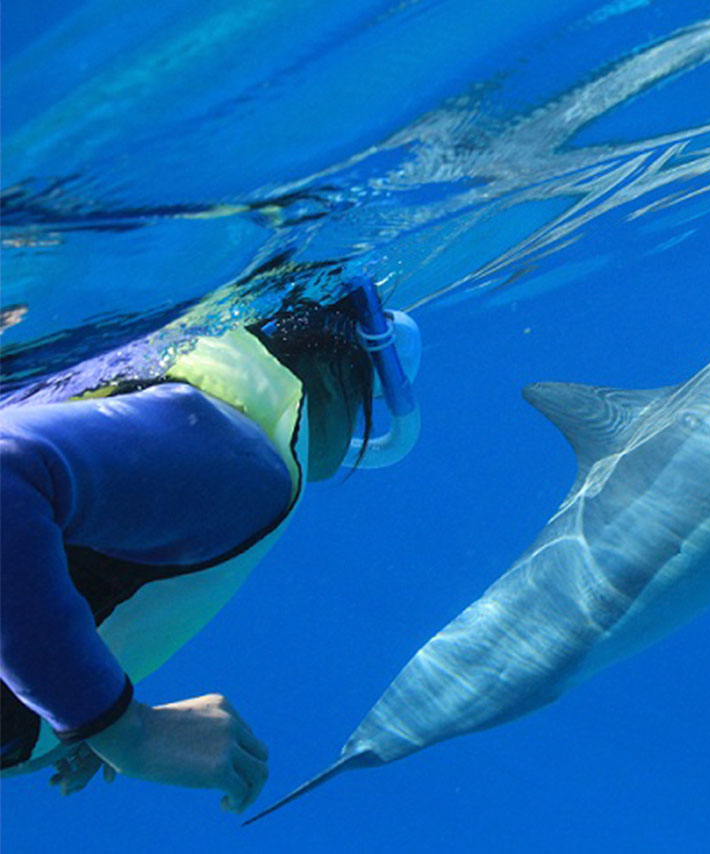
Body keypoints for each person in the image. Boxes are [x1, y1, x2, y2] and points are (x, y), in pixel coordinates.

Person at [0, 277, 420, 813]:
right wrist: (121, 728)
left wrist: (70, 700)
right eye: (372, 394)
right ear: (339, 379)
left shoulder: (192, 420)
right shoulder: (239, 461)